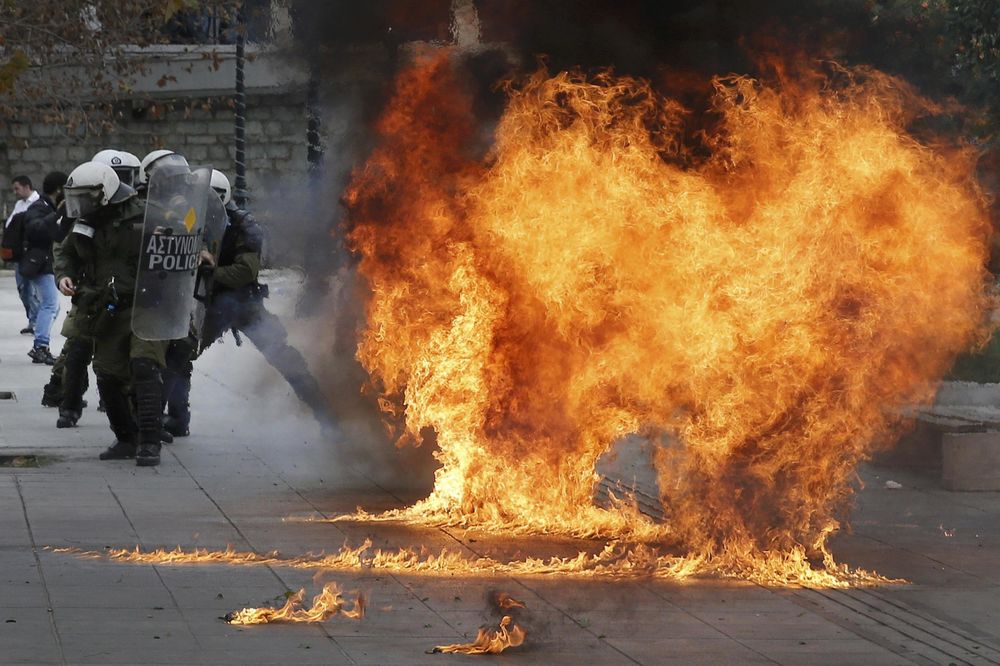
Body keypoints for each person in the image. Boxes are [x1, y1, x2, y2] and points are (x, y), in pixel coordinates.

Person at [161, 170, 331, 437]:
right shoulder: (191, 219)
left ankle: (328, 417)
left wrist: (209, 271)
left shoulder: (243, 227)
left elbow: (245, 272)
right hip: (208, 303)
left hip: (243, 302)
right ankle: (176, 419)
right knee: (180, 353)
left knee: (284, 356)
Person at [56, 161, 171, 466]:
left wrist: (178, 242)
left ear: (104, 192)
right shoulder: (86, 221)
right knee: (106, 374)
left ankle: (149, 442)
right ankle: (125, 438)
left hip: (148, 304)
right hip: (106, 308)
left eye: (85, 196)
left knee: (145, 365)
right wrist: (64, 275)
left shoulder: (148, 213)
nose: (79, 203)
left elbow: (184, 238)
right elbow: (66, 252)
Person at [20, 172, 71, 366]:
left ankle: (40, 343)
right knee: (50, 304)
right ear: (59, 189)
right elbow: (36, 229)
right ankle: (40, 347)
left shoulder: (48, 207)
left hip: (47, 263)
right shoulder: (39, 207)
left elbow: (57, 235)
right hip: (39, 264)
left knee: (52, 306)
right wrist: (58, 213)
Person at [6, 175, 40, 334]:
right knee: (23, 290)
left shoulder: (38, 203)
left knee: (32, 290)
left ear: (27, 187)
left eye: (17, 188)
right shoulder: (19, 204)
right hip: (19, 254)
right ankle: (32, 319)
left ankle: (36, 322)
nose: (15, 192)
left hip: (32, 253)